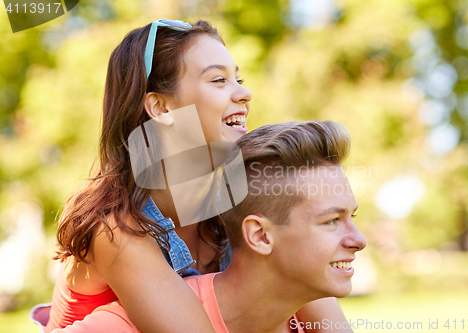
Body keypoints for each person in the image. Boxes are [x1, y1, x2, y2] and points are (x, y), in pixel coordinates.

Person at [44, 18, 351, 333]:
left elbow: (312, 299)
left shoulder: (238, 197)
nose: (244, 93)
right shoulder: (115, 226)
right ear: (161, 108)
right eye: (219, 80)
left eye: (238, 78)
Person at [51, 120, 366, 333]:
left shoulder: (311, 317)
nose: (359, 240)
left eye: (352, 217)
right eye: (331, 221)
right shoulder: (129, 324)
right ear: (259, 235)